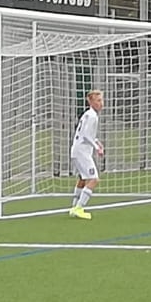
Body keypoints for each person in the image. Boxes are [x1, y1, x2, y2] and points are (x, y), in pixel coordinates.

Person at [67, 89, 105, 220]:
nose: (101, 103)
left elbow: (86, 134)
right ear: (91, 102)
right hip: (82, 152)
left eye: (101, 100)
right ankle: (79, 208)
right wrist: (97, 148)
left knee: (83, 179)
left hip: (77, 150)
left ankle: (74, 206)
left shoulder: (87, 114)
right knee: (94, 179)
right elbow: (86, 135)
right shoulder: (92, 116)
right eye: (98, 100)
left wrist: (97, 141)